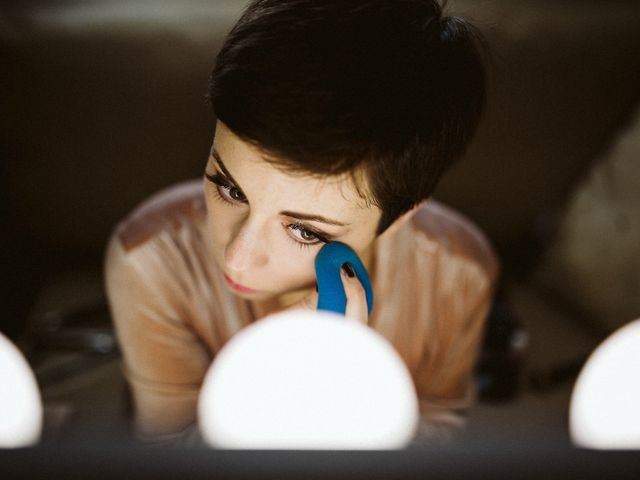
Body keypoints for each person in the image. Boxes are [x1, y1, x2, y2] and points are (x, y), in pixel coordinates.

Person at [105, 0, 499, 444]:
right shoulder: (151, 259)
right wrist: (275, 373)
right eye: (230, 189)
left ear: (401, 218)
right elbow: (170, 454)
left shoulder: (458, 275)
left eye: (306, 231)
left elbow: (437, 439)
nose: (238, 259)